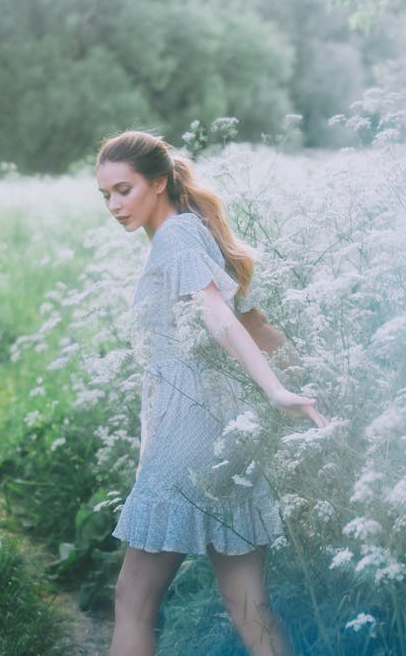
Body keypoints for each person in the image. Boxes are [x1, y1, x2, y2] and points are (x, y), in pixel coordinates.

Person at [95, 130, 327, 656]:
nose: (113, 206)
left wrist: (275, 391)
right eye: (105, 194)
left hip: (190, 434)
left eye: (123, 190)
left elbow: (220, 316)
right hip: (227, 433)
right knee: (248, 603)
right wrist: (315, 387)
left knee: (133, 601)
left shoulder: (176, 238)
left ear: (158, 183)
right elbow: (258, 325)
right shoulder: (194, 231)